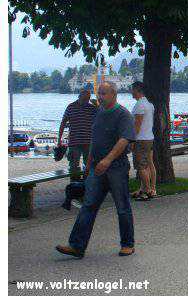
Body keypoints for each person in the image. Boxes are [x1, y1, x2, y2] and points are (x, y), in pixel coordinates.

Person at [56, 82, 136, 259]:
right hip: (96, 168)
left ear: (114, 94)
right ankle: (77, 246)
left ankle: (127, 244)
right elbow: (95, 138)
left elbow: (124, 140)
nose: (99, 97)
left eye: (103, 93)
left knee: (122, 206)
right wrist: (90, 162)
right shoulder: (99, 112)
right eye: (98, 93)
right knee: (88, 205)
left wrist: (108, 160)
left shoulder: (123, 114)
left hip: (116, 168)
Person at [58, 85, 98, 175]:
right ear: (79, 97)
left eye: (88, 99)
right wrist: (59, 140)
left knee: (89, 166)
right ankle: (74, 184)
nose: (86, 101)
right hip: (74, 142)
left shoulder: (92, 108)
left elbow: (102, 119)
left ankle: (87, 184)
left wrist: (97, 105)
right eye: (84, 99)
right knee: (73, 166)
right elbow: (63, 123)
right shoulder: (71, 107)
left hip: (89, 142)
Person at [130, 81, 156, 201]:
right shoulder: (149, 104)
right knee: (146, 165)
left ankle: (146, 191)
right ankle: (148, 189)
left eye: (132, 90)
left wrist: (132, 140)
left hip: (141, 139)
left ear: (137, 90)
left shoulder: (140, 105)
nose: (131, 92)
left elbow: (137, 125)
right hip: (149, 137)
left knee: (141, 166)